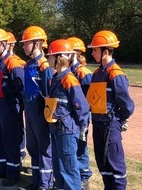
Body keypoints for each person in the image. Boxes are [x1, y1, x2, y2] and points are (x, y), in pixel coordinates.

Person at [86, 30, 135, 190]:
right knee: (103, 164)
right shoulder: (97, 73)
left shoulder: (116, 75)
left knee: (116, 165)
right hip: (98, 124)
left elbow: (127, 105)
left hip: (110, 125)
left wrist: (118, 120)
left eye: (95, 50)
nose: (92, 53)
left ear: (105, 51)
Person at [45, 39, 90, 190]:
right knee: (59, 168)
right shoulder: (56, 78)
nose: (48, 59)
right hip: (57, 129)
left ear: (60, 58)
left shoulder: (69, 79)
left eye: (50, 56)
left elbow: (82, 107)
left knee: (69, 170)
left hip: (67, 131)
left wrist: (82, 128)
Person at [0, 28, 24, 187]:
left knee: (10, 140)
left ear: (3, 45)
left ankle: (13, 172)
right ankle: (2, 167)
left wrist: (18, 107)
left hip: (8, 107)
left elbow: (21, 88)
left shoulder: (13, 63)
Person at [20, 26, 54, 190]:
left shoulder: (45, 66)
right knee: (32, 147)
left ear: (38, 44)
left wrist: (48, 117)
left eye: (27, 43)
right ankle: (35, 181)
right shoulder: (28, 65)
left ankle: (45, 184)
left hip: (40, 113)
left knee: (44, 149)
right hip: (29, 111)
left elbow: (49, 94)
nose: (24, 46)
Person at [67, 36, 93, 189]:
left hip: (81, 116)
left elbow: (89, 98)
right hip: (69, 116)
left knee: (80, 146)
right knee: (72, 147)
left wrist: (84, 118)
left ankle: (84, 176)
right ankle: (74, 175)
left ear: (76, 53)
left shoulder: (83, 73)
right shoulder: (67, 71)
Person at [6, 31, 27, 163]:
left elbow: (21, 86)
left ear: (12, 45)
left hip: (16, 103)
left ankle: (20, 152)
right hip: (5, 104)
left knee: (17, 127)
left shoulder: (18, 62)